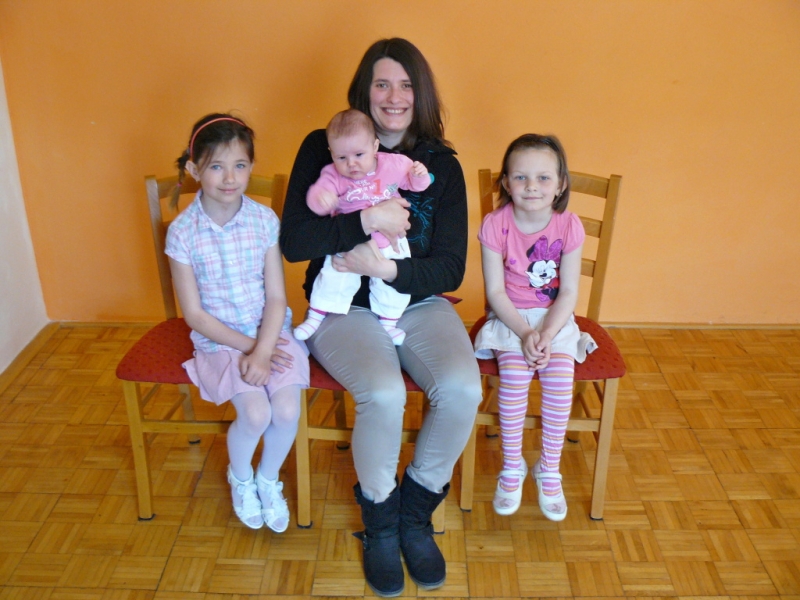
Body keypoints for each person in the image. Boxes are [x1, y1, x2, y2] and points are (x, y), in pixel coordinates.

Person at [280, 39, 482, 597]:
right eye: (382, 83)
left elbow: (451, 268)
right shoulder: (324, 146)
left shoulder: (439, 165)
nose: (394, 97)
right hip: (342, 305)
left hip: (414, 299)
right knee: (385, 393)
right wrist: (366, 219)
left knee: (463, 388)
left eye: (406, 85)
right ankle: (380, 525)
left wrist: (387, 269)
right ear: (363, 91)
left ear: (422, 94)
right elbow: (295, 240)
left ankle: (414, 515)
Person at [165, 113, 310, 532]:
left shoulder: (264, 221)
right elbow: (195, 315)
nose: (230, 178)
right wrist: (251, 351)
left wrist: (264, 348)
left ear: (250, 167)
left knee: (286, 410)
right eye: (216, 166)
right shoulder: (182, 233)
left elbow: (277, 298)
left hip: (271, 333)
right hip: (221, 342)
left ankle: (267, 479)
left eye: (240, 165)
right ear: (194, 170)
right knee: (256, 414)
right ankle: (241, 478)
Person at [474, 134, 596, 521]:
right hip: (510, 319)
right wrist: (526, 334)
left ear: (560, 184)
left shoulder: (569, 225)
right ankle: (512, 466)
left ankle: (548, 468)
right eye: (521, 177)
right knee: (514, 381)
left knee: (559, 382)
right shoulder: (494, 225)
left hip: (554, 319)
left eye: (544, 178)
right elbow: (495, 292)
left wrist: (546, 333)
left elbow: (569, 291)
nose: (532, 186)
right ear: (506, 182)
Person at [294, 109, 432, 345]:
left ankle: (389, 322)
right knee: (334, 274)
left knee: (393, 280)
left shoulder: (394, 164)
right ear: (331, 153)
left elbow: (416, 185)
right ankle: (316, 316)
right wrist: (321, 199)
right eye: (341, 158)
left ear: (375, 146)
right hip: (352, 240)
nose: (351, 164)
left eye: (359, 154)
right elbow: (317, 196)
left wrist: (419, 175)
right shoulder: (332, 175)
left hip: (390, 237)